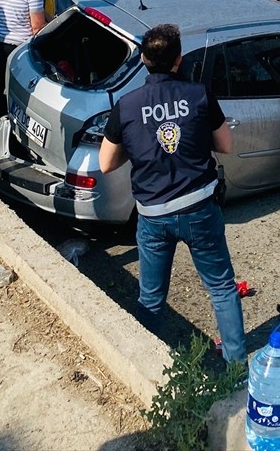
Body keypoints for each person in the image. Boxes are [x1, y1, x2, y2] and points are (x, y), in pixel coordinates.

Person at [98, 23, 246, 361]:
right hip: (200, 208)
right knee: (222, 289)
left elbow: (106, 163)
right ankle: (236, 368)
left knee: (150, 298)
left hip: (153, 216)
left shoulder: (127, 105)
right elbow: (225, 144)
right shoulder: (199, 94)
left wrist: (138, 147)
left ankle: (148, 363)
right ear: (178, 60)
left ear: (142, 59)